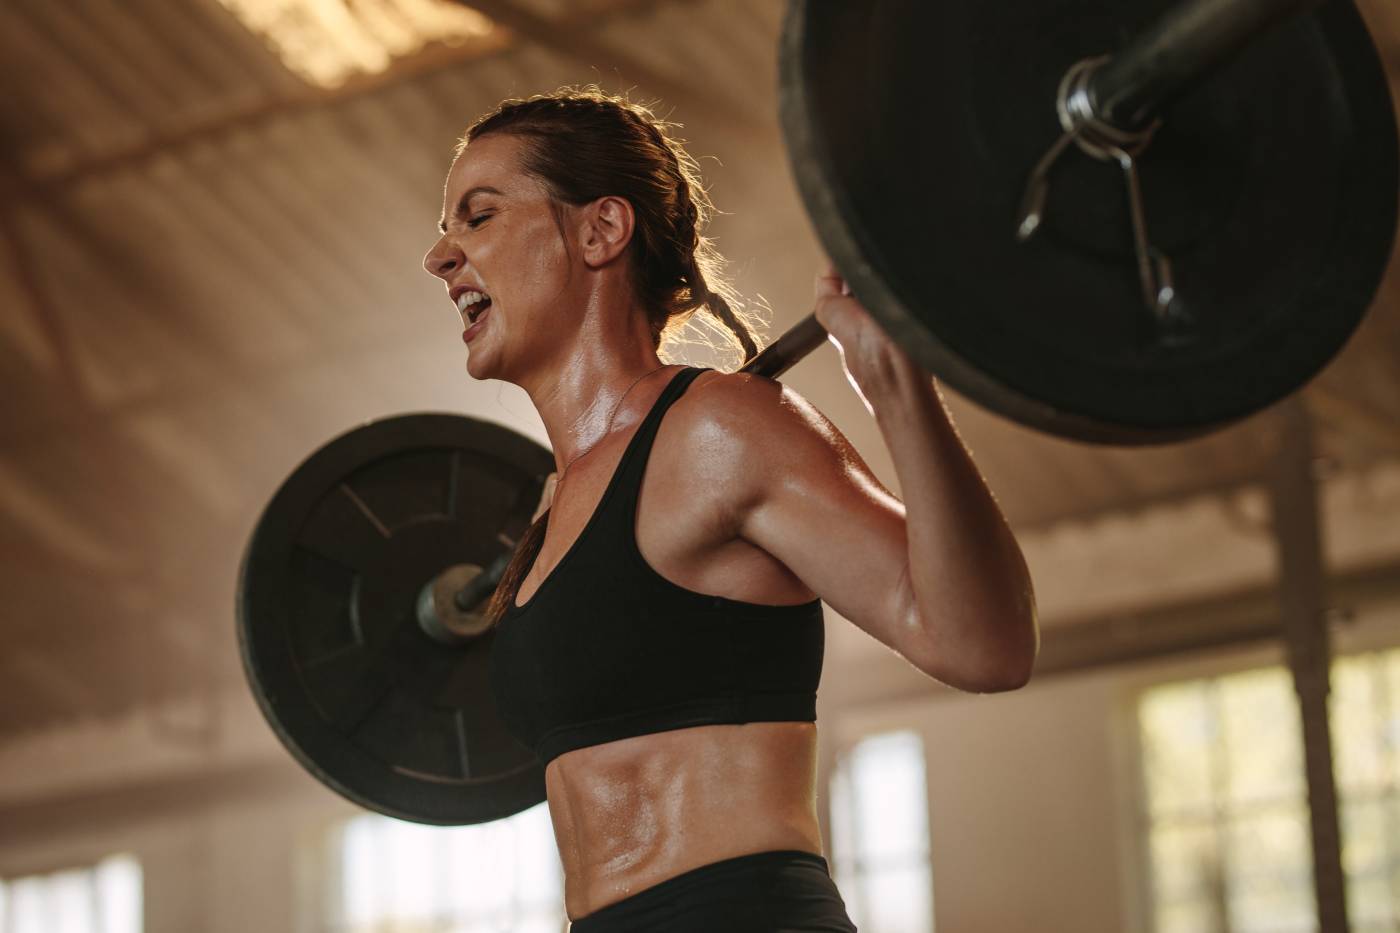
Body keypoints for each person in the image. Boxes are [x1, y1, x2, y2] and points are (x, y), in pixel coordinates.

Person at [422, 86, 1038, 932]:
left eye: (477, 216)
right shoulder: (550, 505)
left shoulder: (719, 431)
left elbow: (985, 644)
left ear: (601, 230)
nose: (440, 257)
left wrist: (898, 387)